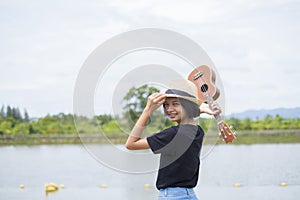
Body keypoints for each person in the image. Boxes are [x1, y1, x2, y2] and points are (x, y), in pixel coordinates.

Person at [125, 79, 222, 200]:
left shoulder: (172, 134)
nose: (169, 109)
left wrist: (147, 110)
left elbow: (131, 144)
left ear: (188, 106)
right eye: (166, 105)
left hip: (172, 196)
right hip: (189, 194)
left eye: (175, 104)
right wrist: (201, 108)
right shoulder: (198, 131)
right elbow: (189, 116)